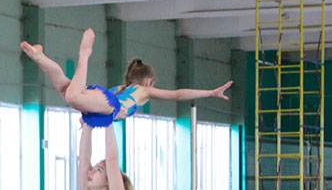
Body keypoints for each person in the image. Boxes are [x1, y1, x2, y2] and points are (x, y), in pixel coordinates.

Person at [21, 28, 232, 126]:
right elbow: (177, 94)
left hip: (101, 104)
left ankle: (40, 58)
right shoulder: (144, 90)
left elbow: (99, 105)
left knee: (63, 85)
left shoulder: (121, 87)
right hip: (109, 105)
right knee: (71, 96)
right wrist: (211, 92)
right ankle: (85, 54)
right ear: (149, 80)